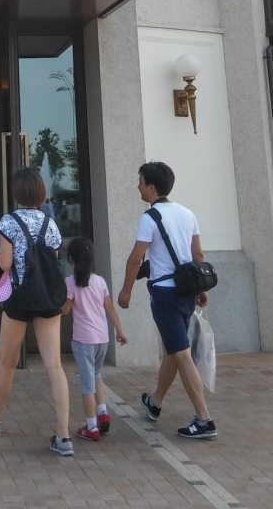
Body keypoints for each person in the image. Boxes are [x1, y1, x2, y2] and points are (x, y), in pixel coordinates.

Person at [0, 167, 72, 456]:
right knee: (54, 366)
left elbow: (4, 264)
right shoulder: (50, 223)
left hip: (18, 298)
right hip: (47, 298)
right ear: (41, 192)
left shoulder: (8, 222)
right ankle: (63, 436)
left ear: (16, 193)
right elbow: (53, 258)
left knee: (7, 362)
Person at [118, 161, 216, 439]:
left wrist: (126, 291)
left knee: (181, 354)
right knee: (175, 349)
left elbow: (136, 259)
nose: (137, 186)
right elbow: (198, 255)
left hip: (164, 294)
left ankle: (204, 419)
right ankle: (155, 401)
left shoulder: (149, 218)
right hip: (186, 292)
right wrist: (201, 289)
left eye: (140, 182)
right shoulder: (187, 213)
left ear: (151, 187)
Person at [62, 237, 127, 441]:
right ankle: (102, 412)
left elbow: (65, 311)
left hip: (84, 340)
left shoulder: (70, 282)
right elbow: (110, 308)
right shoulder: (100, 281)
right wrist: (120, 331)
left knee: (86, 384)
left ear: (71, 259)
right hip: (102, 338)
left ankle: (91, 427)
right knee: (97, 374)